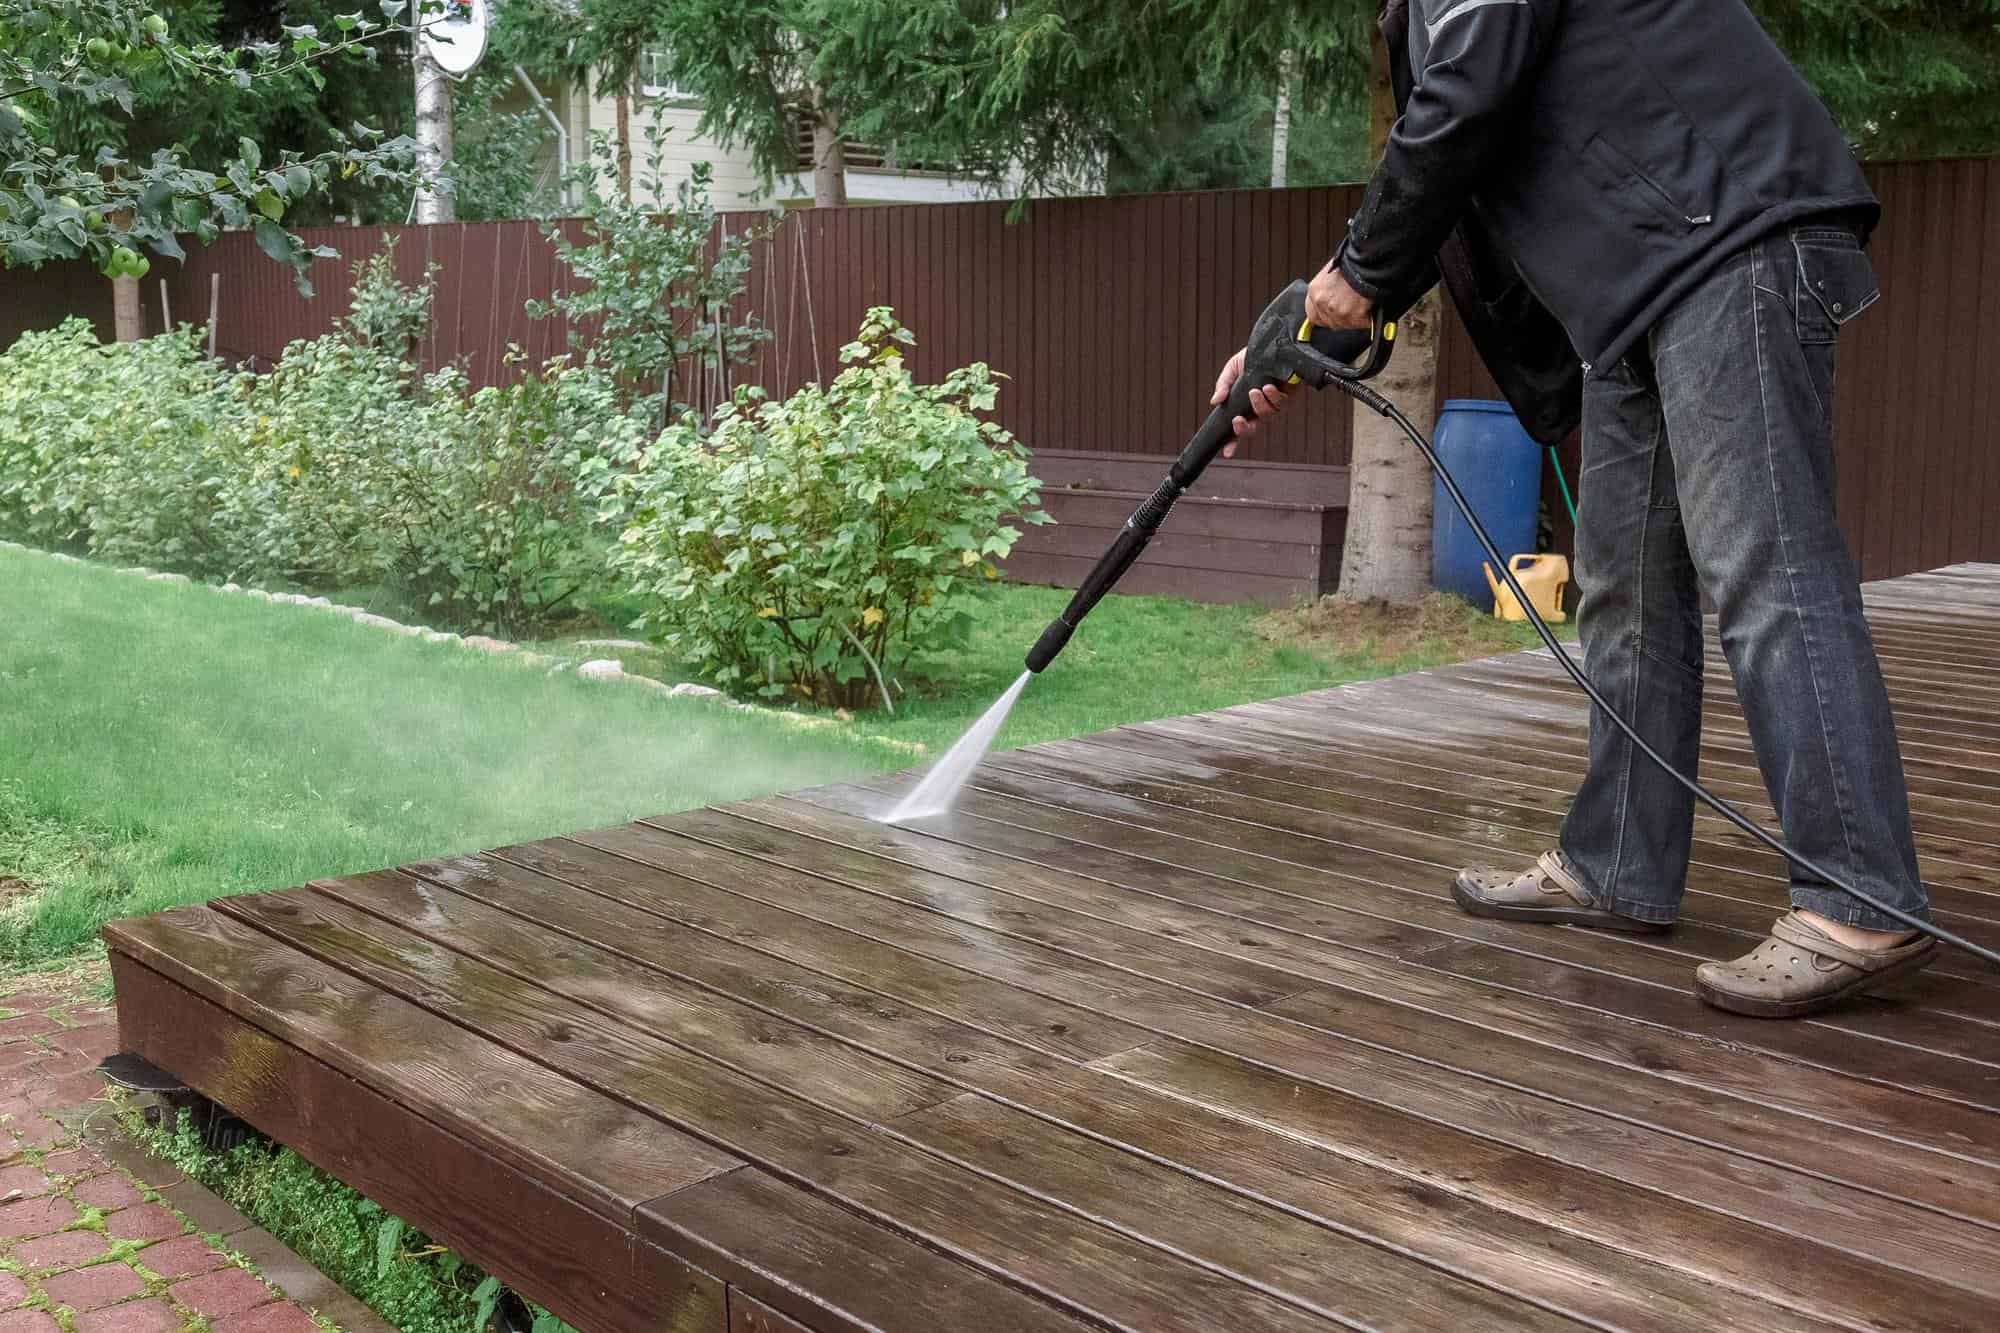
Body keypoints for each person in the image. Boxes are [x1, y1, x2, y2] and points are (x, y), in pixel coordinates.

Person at [1212, 0, 1935, 1017]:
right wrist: (1304, 331)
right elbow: (1449, 179)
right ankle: (1617, 863)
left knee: (1762, 568)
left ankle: (1858, 897)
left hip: (1723, 236)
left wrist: (1357, 273)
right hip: (1638, 287)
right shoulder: (1410, 14)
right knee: (1622, 589)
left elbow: (1466, 99)